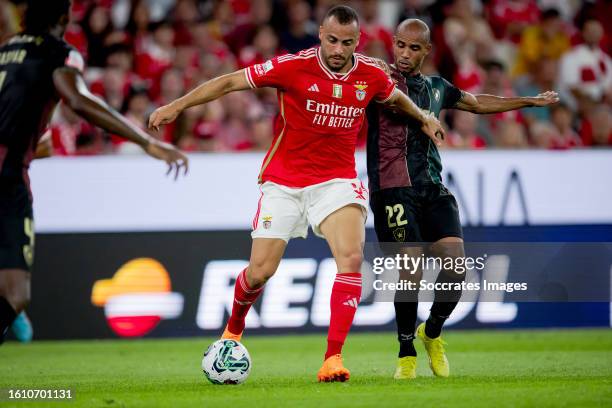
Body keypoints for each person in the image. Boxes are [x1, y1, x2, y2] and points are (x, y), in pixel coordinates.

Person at [149, 6, 444, 382]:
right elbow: (228, 82)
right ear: (320, 33)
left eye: (348, 42)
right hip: (284, 184)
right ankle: (232, 330)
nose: (339, 49)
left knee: (351, 258)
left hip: (336, 182)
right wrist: (177, 105)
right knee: (259, 273)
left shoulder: (370, 73)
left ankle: (332, 359)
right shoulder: (291, 66)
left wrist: (422, 116)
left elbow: (393, 97)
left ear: (359, 41)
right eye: (333, 40)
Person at [366, 18, 558, 380]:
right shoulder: (379, 78)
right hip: (391, 189)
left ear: (427, 51)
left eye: (414, 48)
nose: (405, 54)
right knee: (410, 268)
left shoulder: (437, 87)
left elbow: (477, 103)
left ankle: (432, 332)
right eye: (400, 46)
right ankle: (406, 352)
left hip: (432, 188)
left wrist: (527, 102)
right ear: (393, 44)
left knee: (456, 267)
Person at [0, 0, 188, 345]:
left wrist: (31, 146)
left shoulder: (6, 49)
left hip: (12, 164)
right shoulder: (60, 53)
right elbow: (79, 99)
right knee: (14, 294)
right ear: (64, 15)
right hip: (7, 182)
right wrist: (147, 143)